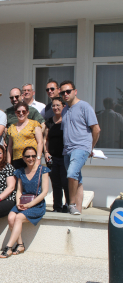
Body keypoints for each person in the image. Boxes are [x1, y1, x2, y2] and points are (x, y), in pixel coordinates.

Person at [0, 146, 50, 258]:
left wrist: (29, 205)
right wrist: (18, 203)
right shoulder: (20, 171)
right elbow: (19, 190)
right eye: (27, 156)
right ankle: (20, 244)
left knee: (18, 218)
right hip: (23, 202)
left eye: (33, 156)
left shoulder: (43, 170)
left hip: (37, 204)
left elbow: (44, 192)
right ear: (23, 158)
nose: (30, 158)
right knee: (11, 217)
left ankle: (8, 247)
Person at [60, 80, 100, 215]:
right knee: (78, 179)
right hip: (67, 150)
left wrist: (90, 148)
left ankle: (71, 204)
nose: (65, 94)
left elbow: (96, 129)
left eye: (68, 91)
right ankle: (78, 210)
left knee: (71, 174)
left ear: (75, 92)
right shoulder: (64, 110)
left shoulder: (84, 106)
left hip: (81, 147)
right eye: (62, 92)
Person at [44, 97, 71, 213]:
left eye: (57, 105)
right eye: (53, 106)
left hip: (65, 157)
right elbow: (46, 139)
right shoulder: (49, 122)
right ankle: (57, 207)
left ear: (63, 106)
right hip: (53, 157)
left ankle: (69, 205)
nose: (55, 108)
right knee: (56, 183)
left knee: (66, 182)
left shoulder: (68, 120)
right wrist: (46, 152)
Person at [7, 102, 43, 169]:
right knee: (18, 179)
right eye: (18, 112)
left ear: (28, 112)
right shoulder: (12, 127)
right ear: (15, 113)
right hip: (17, 160)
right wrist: (8, 162)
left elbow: (40, 142)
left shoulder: (34, 124)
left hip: (31, 159)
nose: (21, 113)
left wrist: (38, 158)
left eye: (24, 111)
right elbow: (10, 146)